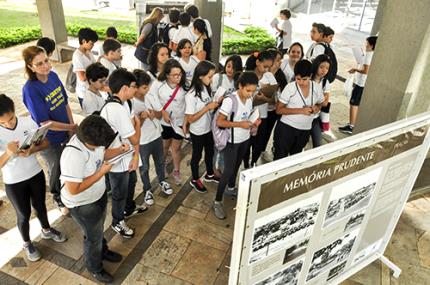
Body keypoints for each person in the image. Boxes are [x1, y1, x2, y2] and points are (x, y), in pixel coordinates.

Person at [0, 94, 66, 262]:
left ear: (15, 111)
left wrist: (32, 151)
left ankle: (46, 229)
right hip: (14, 181)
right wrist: (8, 153)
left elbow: (44, 143)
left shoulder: (27, 122)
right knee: (23, 214)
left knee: (41, 205)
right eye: (3, 122)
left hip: (34, 172)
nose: (8, 124)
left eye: (11, 119)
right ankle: (27, 242)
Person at [60, 115, 124, 283]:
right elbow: (73, 189)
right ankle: (94, 267)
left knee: (98, 228)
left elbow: (102, 153)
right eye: (100, 144)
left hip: (97, 194)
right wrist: (101, 173)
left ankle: (103, 250)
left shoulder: (91, 137)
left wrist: (120, 150)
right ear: (90, 141)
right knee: (93, 236)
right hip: (82, 204)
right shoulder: (73, 155)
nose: (102, 147)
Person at [22, 46, 77, 215]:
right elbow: (45, 122)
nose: (45, 66)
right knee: (56, 168)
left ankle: (70, 192)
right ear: (31, 67)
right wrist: (70, 127)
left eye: (46, 60)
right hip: (50, 138)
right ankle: (57, 196)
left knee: (70, 164)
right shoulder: (31, 90)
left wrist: (71, 126)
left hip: (66, 130)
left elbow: (65, 102)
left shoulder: (53, 76)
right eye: (39, 64)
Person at [100, 68, 147, 238]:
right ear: (124, 88)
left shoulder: (126, 103)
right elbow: (135, 138)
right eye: (134, 86)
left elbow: (134, 127)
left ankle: (129, 208)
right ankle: (117, 221)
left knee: (132, 181)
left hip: (128, 154)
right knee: (119, 191)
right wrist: (137, 125)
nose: (136, 89)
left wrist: (135, 155)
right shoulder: (115, 109)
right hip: (117, 158)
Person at [213, 72, 261, 219]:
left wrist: (254, 122)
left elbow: (247, 115)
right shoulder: (230, 101)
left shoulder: (250, 98)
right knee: (227, 171)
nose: (250, 94)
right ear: (240, 86)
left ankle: (231, 188)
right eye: (248, 90)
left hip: (244, 139)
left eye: (253, 91)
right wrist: (240, 124)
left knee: (237, 166)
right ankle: (217, 201)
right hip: (231, 141)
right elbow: (220, 122)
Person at [132, 69, 173, 206]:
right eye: (144, 87)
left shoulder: (150, 96)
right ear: (135, 88)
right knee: (144, 168)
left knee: (160, 161)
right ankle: (147, 189)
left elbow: (160, 113)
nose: (148, 89)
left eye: (148, 86)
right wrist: (141, 118)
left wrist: (153, 114)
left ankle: (162, 181)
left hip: (156, 136)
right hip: (143, 141)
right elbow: (132, 128)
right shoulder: (131, 103)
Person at [274, 60, 324, 159]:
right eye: (298, 79)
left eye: (304, 79)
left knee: (295, 158)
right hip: (287, 128)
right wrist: (301, 111)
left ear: (310, 76)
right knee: (280, 158)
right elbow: (279, 110)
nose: (301, 82)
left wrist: (316, 108)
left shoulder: (317, 88)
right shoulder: (290, 87)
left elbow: (321, 103)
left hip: (305, 129)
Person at [148, 59, 187, 185]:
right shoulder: (158, 84)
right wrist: (162, 112)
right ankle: (162, 167)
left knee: (176, 148)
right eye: (175, 75)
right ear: (166, 75)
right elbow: (151, 97)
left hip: (179, 122)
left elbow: (189, 104)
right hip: (164, 123)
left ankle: (176, 170)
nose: (178, 77)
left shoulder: (185, 85)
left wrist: (186, 123)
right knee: (164, 146)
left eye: (180, 74)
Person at [185, 61, 219, 193]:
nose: (211, 79)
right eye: (209, 76)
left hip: (208, 128)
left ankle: (210, 174)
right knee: (197, 156)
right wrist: (207, 108)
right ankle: (194, 179)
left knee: (210, 152)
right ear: (200, 76)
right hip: (198, 131)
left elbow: (209, 106)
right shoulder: (191, 95)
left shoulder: (206, 88)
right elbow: (190, 119)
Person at [339, 36, 378, 135]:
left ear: (371, 45)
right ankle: (353, 124)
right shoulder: (373, 54)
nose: (365, 45)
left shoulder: (369, 55)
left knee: (354, 103)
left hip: (361, 84)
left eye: (367, 44)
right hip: (363, 83)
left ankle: (351, 126)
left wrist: (355, 69)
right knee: (356, 103)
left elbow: (366, 70)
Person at [243, 50, 276, 168]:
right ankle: (246, 163)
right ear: (257, 62)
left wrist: (265, 99)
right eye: (264, 66)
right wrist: (253, 98)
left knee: (259, 142)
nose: (266, 69)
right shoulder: (247, 76)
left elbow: (273, 100)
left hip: (263, 115)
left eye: (269, 67)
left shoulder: (269, 77)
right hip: (248, 115)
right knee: (247, 142)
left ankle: (253, 162)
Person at [261, 48, 288, 162]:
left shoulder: (281, 75)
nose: (279, 63)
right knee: (258, 134)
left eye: (280, 60)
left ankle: (262, 150)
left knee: (267, 132)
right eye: (277, 60)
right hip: (261, 110)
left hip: (273, 111)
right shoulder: (262, 75)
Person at [73, 28, 98, 107]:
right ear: (83, 41)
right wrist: (94, 69)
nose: (93, 46)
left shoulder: (88, 52)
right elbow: (82, 77)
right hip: (84, 92)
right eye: (91, 43)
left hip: (92, 90)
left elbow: (95, 65)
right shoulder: (77, 55)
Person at [310, 54, 332, 147]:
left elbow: (325, 102)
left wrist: (317, 106)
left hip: (315, 117)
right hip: (302, 116)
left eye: (327, 68)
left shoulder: (325, 82)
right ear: (316, 65)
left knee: (318, 144)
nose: (324, 70)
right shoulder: (307, 78)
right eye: (321, 67)